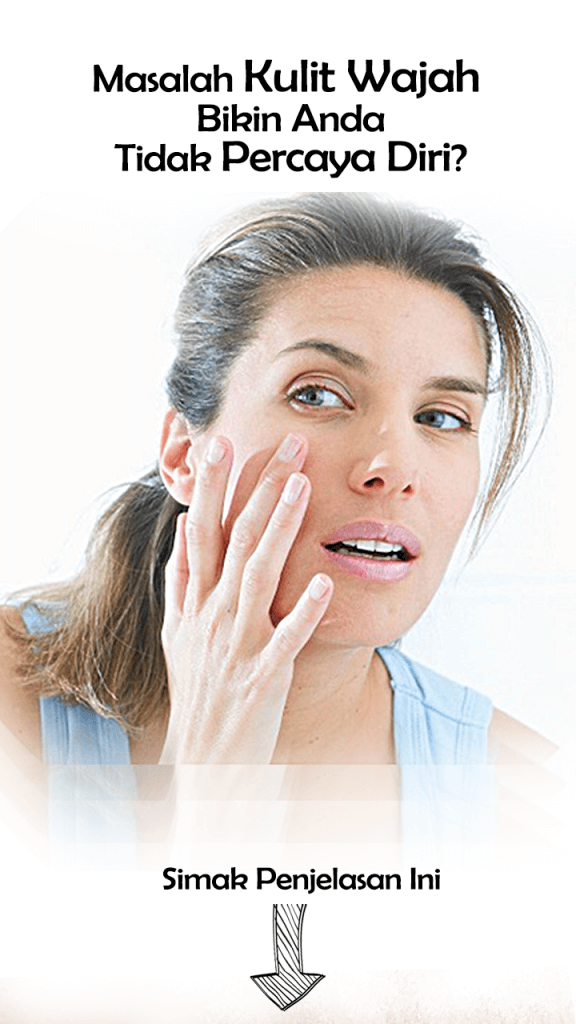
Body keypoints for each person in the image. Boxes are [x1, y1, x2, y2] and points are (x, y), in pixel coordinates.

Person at [0, 193, 555, 771]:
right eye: (316, 394)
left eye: (440, 418)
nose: (393, 469)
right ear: (184, 453)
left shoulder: (525, 790)